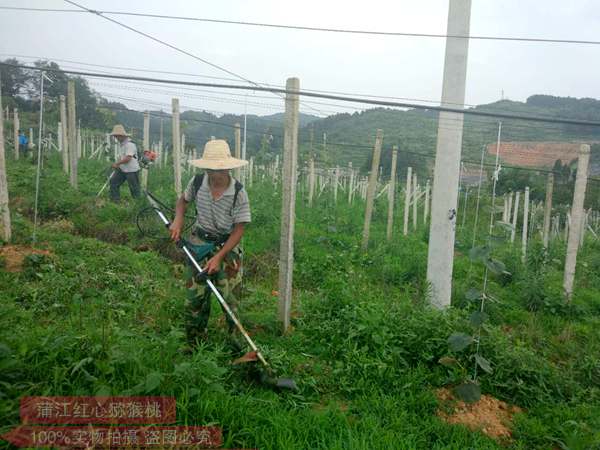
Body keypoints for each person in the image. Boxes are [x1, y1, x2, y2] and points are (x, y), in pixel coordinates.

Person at [169, 139, 251, 349]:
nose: (216, 175)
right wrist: (178, 220)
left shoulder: (239, 193)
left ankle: (236, 346)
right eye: (211, 169)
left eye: (220, 170)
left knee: (230, 301)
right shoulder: (197, 183)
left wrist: (219, 256)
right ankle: (195, 343)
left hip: (227, 248)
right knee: (194, 300)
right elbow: (182, 202)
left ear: (228, 168)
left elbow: (239, 229)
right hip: (199, 244)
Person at [108, 124, 141, 202]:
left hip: (131, 170)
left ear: (122, 135)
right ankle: (115, 201)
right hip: (123, 169)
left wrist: (117, 163)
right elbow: (123, 157)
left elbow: (128, 158)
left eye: (117, 136)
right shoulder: (122, 145)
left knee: (134, 189)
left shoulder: (130, 145)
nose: (116, 138)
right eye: (115, 136)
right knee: (113, 182)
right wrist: (118, 164)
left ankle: (138, 204)